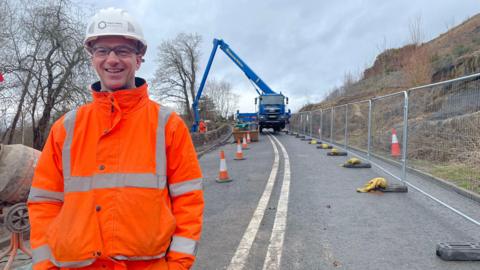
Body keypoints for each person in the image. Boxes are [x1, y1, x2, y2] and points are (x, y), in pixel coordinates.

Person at [27, 7, 204, 270]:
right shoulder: (65, 128)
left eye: (122, 50)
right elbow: (44, 203)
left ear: (139, 58)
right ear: (92, 58)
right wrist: (45, 266)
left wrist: (178, 265)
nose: (112, 59)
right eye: (102, 50)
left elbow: (188, 201)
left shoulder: (168, 125)